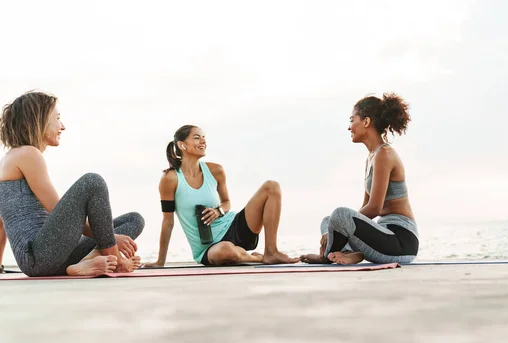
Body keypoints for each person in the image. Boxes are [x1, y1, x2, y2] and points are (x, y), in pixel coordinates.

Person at [0, 91, 145, 277]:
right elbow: (55, 209)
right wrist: (111, 239)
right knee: (92, 182)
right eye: (57, 118)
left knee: (133, 220)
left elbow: (2, 222)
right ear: (39, 119)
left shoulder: (11, 159)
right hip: (39, 256)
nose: (63, 126)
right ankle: (114, 260)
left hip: (53, 256)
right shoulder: (28, 154)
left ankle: (86, 261)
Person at [145, 125, 299, 267]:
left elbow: (226, 202)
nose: (203, 141)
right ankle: (257, 257)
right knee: (225, 252)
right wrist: (160, 261)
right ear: (181, 145)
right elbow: (168, 221)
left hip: (234, 225)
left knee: (271, 187)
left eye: (204, 137)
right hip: (209, 247)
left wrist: (218, 211)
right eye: (197, 137)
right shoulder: (170, 179)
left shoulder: (216, 170)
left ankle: (271, 251)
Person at [300, 93, 419, 265]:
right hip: (381, 238)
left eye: (352, 120)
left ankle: (327, 256)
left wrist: (339, 226)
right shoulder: (371, 157)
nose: (349, 127)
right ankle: (351, 253)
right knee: (328, 220)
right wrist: (337, 227)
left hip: (401, 242)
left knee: (339, 215)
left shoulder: (384, 155)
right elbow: (365, 208)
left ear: (366, 122)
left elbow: (374, 208)